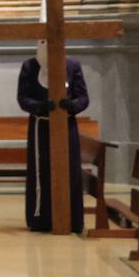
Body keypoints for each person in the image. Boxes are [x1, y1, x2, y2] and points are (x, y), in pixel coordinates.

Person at [17, 40, 88, 232]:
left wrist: (72, 106)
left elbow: (83, 97)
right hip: (41, 127)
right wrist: (39, 106)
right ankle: (41, 219)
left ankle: (72, 219)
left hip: (67, 126)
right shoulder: (30, 66)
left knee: (69, 169)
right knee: (42, 171)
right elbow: (22, 98)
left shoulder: (72, 65)